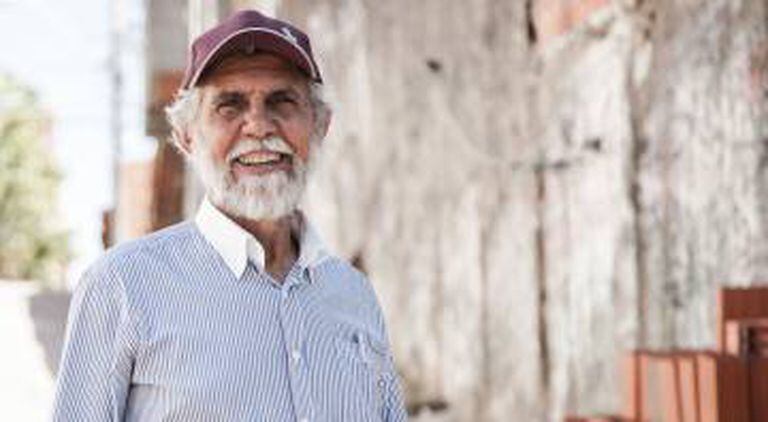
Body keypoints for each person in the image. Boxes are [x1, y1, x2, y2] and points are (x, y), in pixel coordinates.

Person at [53, 9, 407, 422]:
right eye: (229, 106)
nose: (258, 126)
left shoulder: (355, 295)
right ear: (186, 136)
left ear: (320, 125)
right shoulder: (122, 286)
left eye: (282, 101)